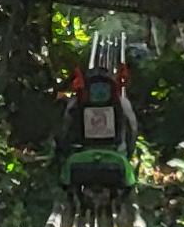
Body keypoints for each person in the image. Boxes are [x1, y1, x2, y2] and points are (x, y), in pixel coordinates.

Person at [53, 46, 139, 191]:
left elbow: (65, 128)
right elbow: (132, 127)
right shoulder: (122, 102)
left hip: (80, 156)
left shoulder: (75, 103)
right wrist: (129, 152)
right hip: (116, 154)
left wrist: (64, 151)